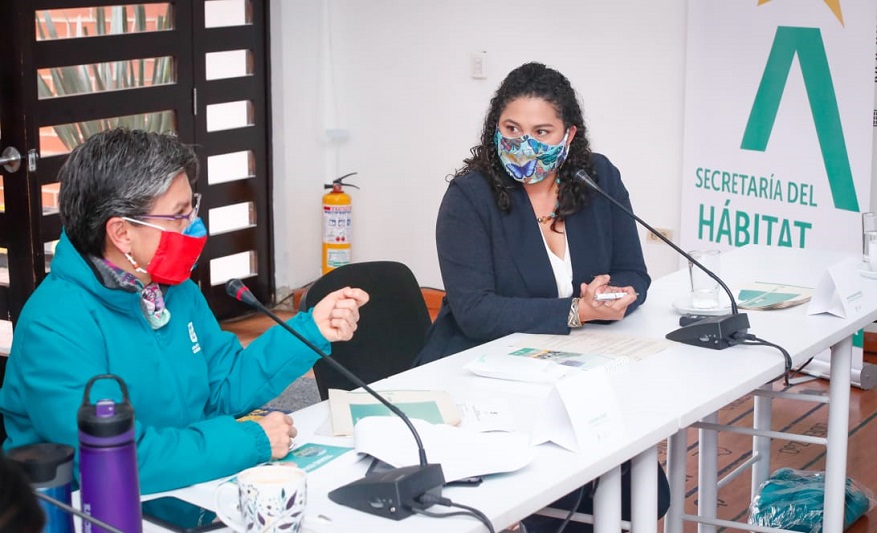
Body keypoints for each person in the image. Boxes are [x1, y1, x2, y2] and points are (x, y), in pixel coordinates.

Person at [0, 129, 369, 494]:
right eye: (178, 215)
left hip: (185, 484)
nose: (194, 225)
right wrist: (248, 442)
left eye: (192, 206)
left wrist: (310, 331)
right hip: (91, 507)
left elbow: (223, 387)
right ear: (122, 233)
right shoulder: (54, 326)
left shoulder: (175, 291)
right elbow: (114, 458)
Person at [415, 63, 668, 531]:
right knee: (567, 502)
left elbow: (635, 271)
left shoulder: (598, 179)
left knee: (644, 496)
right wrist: (576, 310)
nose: (523, 142)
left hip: (576, 364)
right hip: (482, 370)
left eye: (541, 131)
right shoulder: (470, 197)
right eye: (511, 128)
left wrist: (615, 297)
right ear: (495, 129)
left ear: (569, 136)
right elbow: (475, 312)